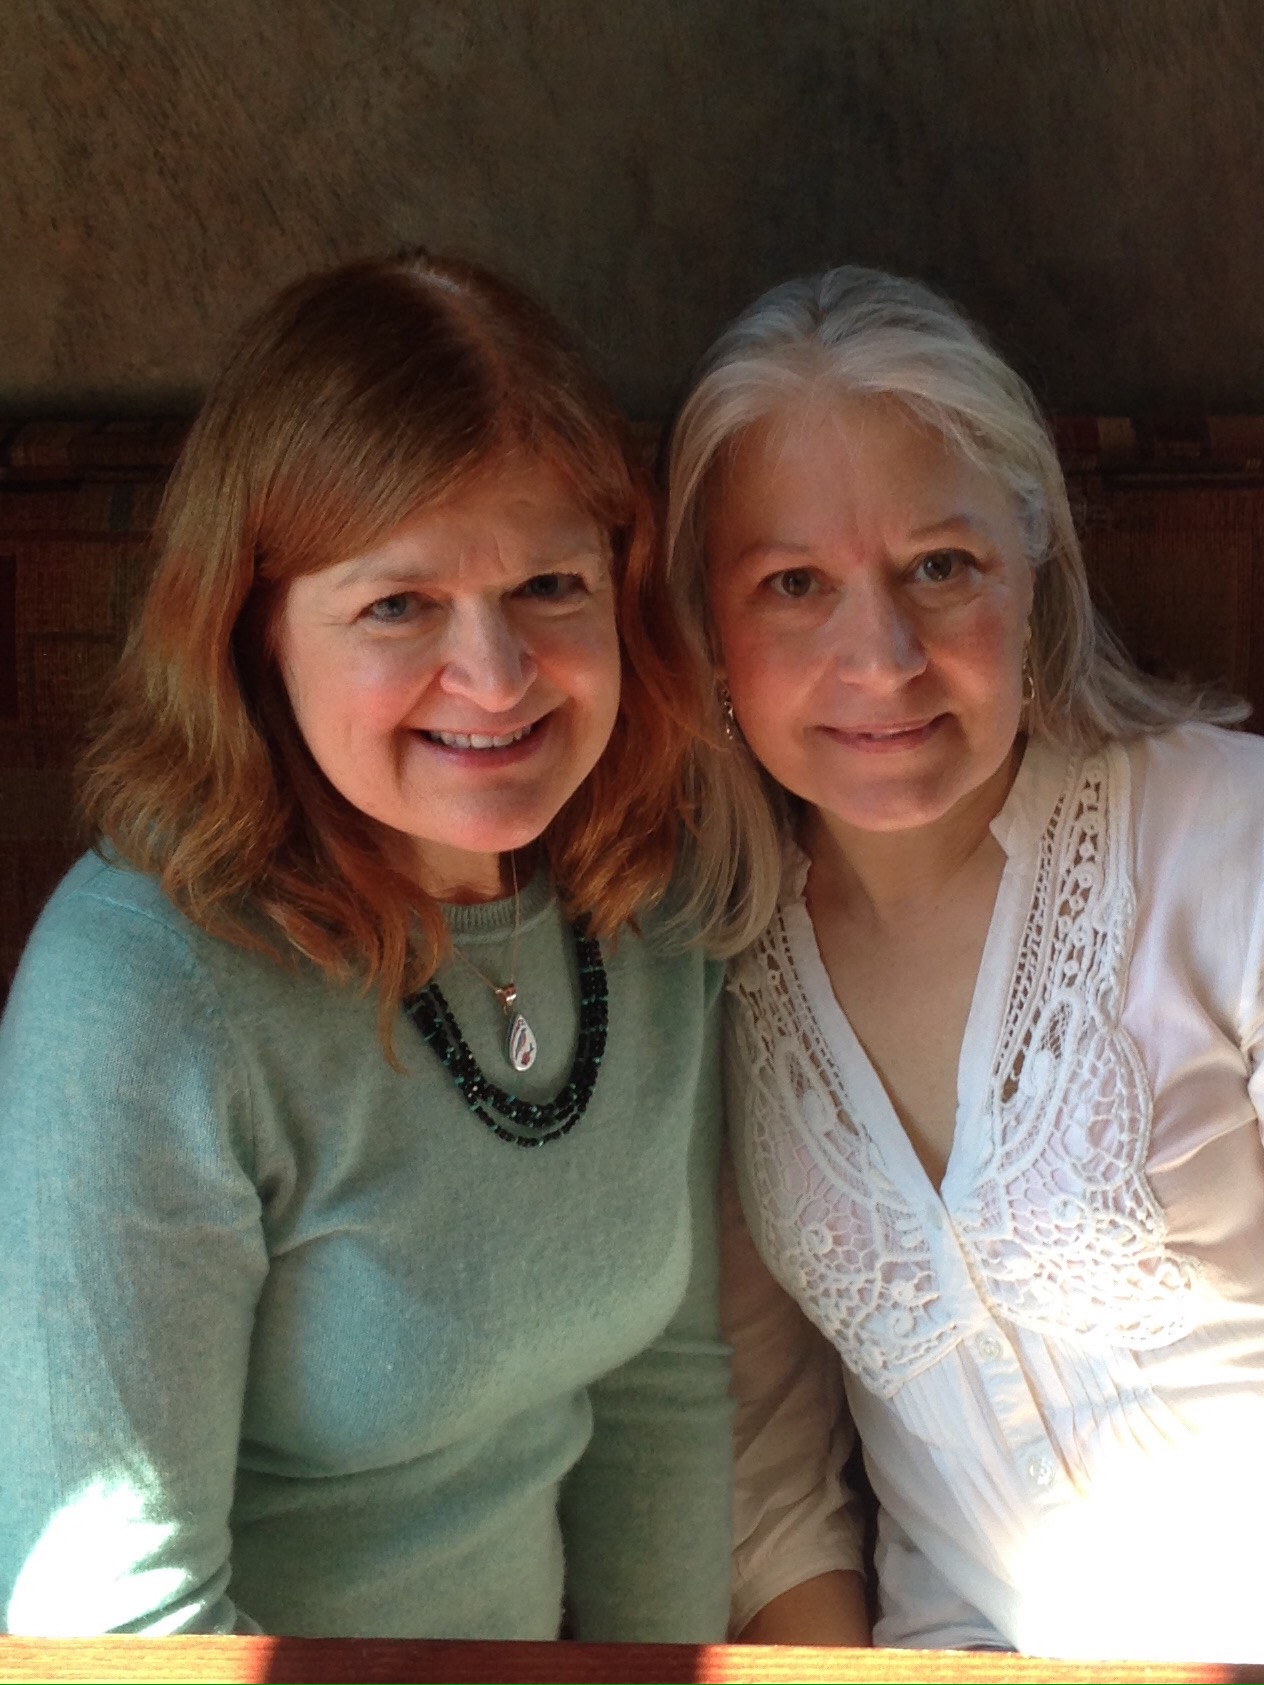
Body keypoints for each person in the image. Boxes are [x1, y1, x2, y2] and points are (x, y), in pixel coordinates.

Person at [0, 251, 732, 1640]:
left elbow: (662, 1399)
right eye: (400, 605)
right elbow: (118, 1631)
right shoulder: (144, 992)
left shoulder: (645, 895)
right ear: (256, 630)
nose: (497, 677)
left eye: (550, 585)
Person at [664, 264, 1264, 1662]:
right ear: (707, 629)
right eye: (793, 585)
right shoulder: (705, 970)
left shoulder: (1226, 842)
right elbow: (770, 1483)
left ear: (1033, 557)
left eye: (941, 567)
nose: (881, 660)